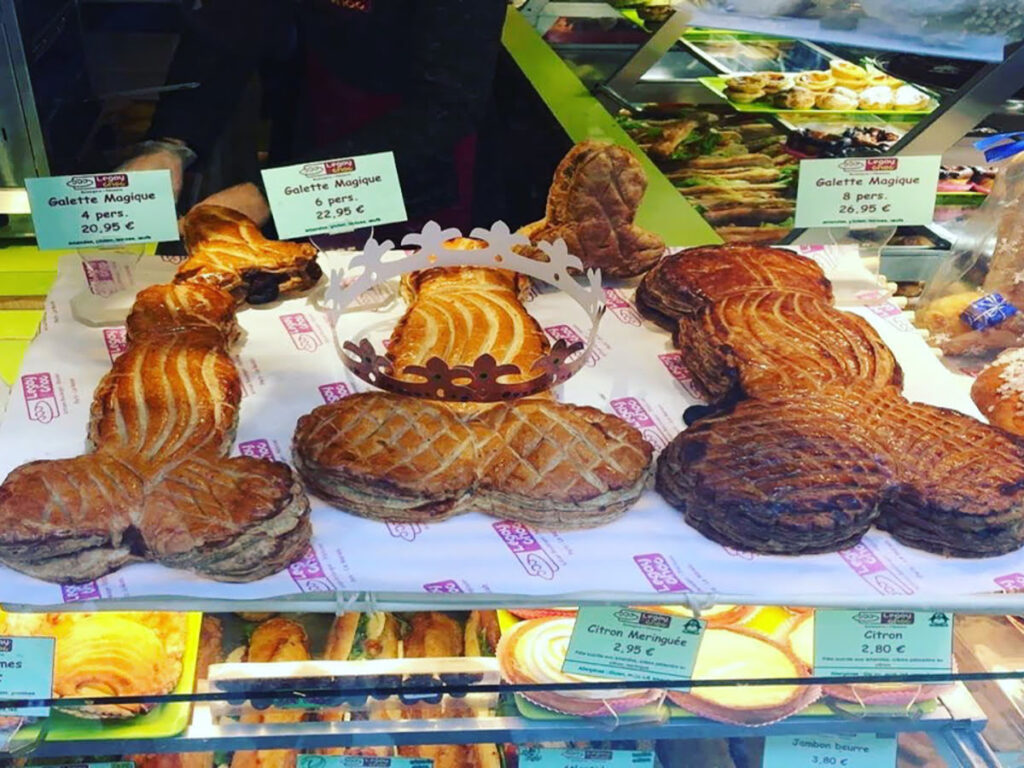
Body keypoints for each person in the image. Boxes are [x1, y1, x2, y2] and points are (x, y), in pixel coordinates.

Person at [123, 0, 508, 234]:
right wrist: (172, 144)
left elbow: (447, 105)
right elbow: (229, 29)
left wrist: (276, 193)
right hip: (316, 127)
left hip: (416, 163)